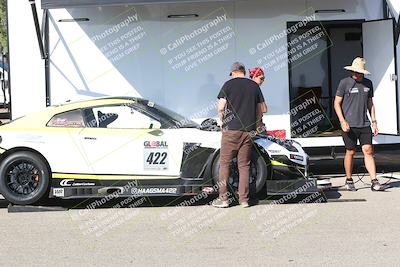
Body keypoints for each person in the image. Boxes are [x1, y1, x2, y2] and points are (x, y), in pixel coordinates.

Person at [212, 62, 267, 208]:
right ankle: (244, 200)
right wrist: (256, 125)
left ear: (234, 72)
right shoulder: (254, 86)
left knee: (224, 164)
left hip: (231, 131)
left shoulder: (228, 85)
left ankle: (223, 199)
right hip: (248, 132)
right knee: (244, 166)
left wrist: (222, 122)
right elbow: (261, 109)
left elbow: (221, 107)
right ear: (243, 72)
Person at [334, 57, 384, 191]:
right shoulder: (344, 83)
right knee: (350, 151)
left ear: (363, 73)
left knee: (368, 150)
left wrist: (374, 122)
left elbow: (370, 104)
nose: (355, 74)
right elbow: (336, 103)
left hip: (364, 124)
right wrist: (342, 121)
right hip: (348, 125)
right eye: (354, 72)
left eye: (358, 72)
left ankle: (374, 181)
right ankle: (349, 180)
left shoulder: (368, 84)